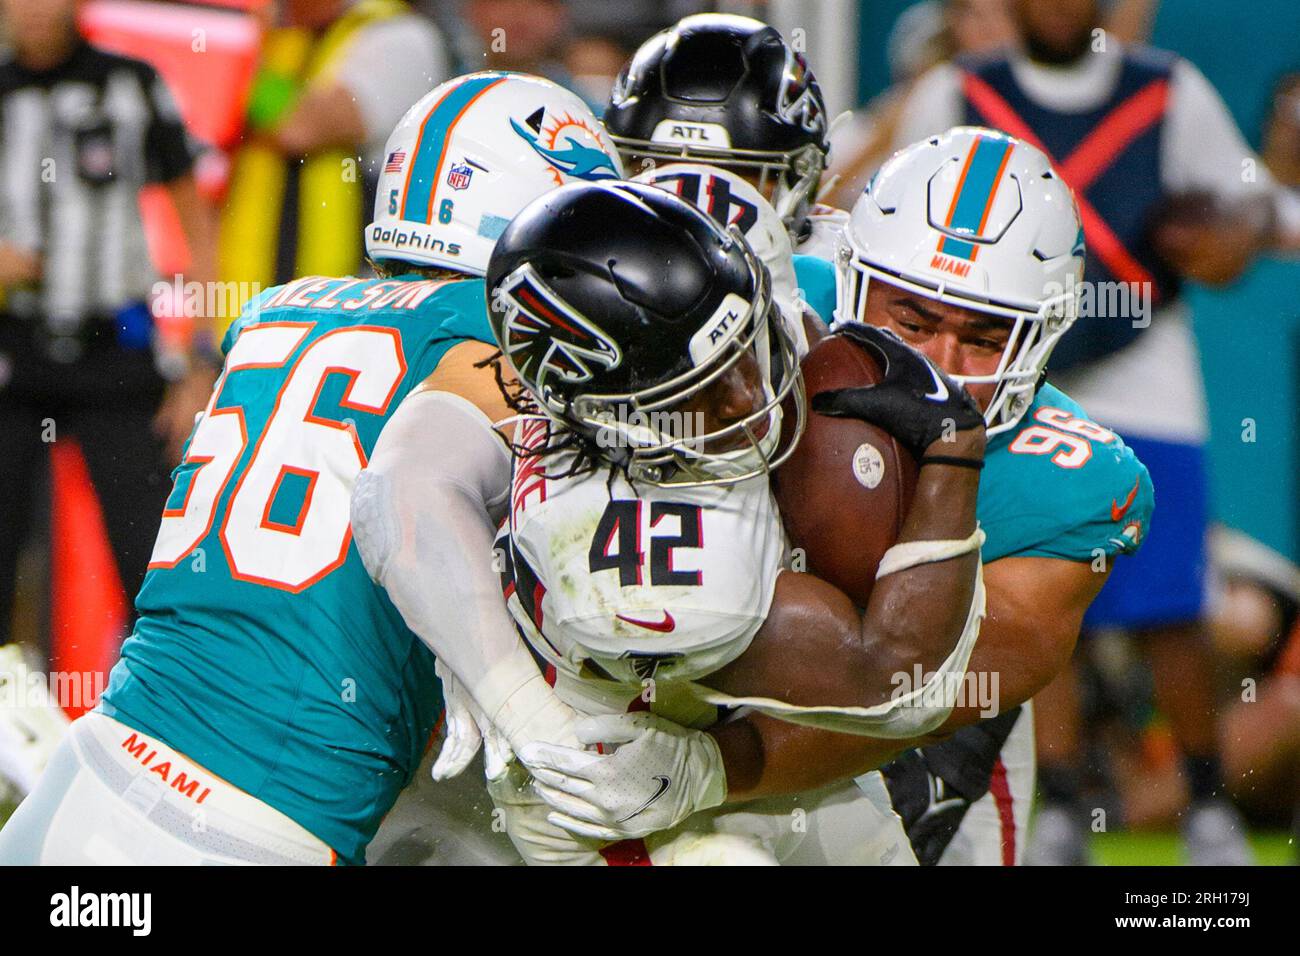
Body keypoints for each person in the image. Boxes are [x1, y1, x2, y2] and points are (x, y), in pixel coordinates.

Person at [0, 71, 622, 865]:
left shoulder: (278, 312)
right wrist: (543, 729)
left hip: (89, 776)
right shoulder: (493, 345)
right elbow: (410, 512)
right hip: (254, 829)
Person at [520, 128, 1152, 867]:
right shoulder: (763, 315)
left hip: (912, 740)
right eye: (910, 320)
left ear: (1041, 339)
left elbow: (922, 697)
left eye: (981, 339)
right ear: (848, 280)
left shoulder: (1078, 485)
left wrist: (711, 770)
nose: (934, 363)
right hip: (699, 665)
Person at [882, 0, 1300, 864]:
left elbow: (1256, 200)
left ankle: (1207, 802)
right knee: (1032, 569)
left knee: (1173, 597)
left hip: (1144, 356)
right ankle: (1066, 801)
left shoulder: (1166, 90)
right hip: (998, 363)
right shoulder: (959, 90)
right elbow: (878, 206)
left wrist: (1237, 230)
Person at [0, 0, 216, 796]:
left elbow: (195, 216)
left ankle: (171, 744)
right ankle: (18, 751)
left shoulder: (131, 87)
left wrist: (199, 357)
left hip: (113, 350)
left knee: (151, 558)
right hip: (14, 354)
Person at [216, 0, 450, 319]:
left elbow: (298, 124)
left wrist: (248, 57)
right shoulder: (280, 36)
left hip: (345, 315)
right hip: (242, 307)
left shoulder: (398, 35)